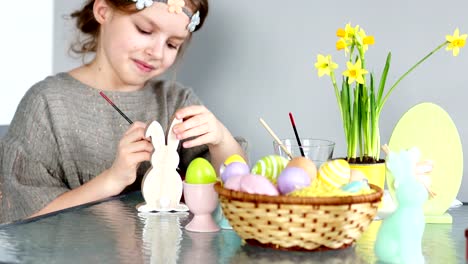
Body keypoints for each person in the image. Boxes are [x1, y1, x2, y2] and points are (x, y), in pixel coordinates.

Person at [0, 0, 247, 223]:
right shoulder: (47, 104)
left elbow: (237, 184)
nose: (157, 52)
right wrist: (112, 180)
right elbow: (22, 220)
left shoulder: (176, 101)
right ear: (103, 11)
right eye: (145, 31)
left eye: (172, 44)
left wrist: (221, 140)